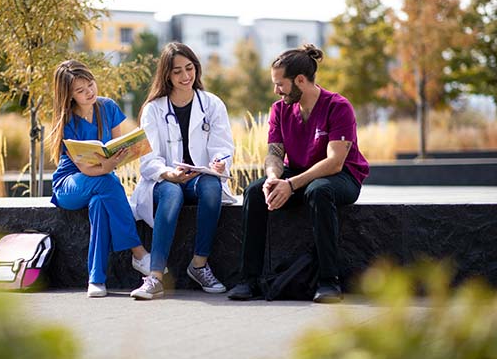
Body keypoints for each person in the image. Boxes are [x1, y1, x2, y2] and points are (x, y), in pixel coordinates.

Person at [227, 44, 369, 303]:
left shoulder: (338, 106)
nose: (276, 90)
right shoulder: (279, 109)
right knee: (255, 192)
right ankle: (248, 280)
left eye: (280, 84)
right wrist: (272, 178)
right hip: (297, 175)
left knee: (319, 190)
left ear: (300, 80)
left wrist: (291, 185)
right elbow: (274, 153)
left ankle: (328, 282)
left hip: (341, 177)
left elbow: (335, 162)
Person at [130, 42, 236, 300]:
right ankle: (154, 277)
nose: (185, 76)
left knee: (212, 187)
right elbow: (148, 160)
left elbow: (222, 146)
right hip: (164, 180)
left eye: (189, 68)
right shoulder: (153, 109)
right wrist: (168, 174)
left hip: (199, 178)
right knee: (172, 194)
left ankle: (199, 265)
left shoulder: (212, 104)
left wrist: (219, 163)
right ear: (167, 74)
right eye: (177, 71)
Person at [49, 60, 153, 298]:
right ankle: (138, 253)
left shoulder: (107, 107)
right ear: (69, 95)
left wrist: (120, 156)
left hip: (103, 182)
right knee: (107, 182)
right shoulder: (67, 122)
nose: (89, 92)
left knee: (99, 204)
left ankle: (96, 279)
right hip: (70, 185)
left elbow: (116, 147)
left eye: (90, 84)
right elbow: (87, 170)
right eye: (80, 90)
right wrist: (109, 165)